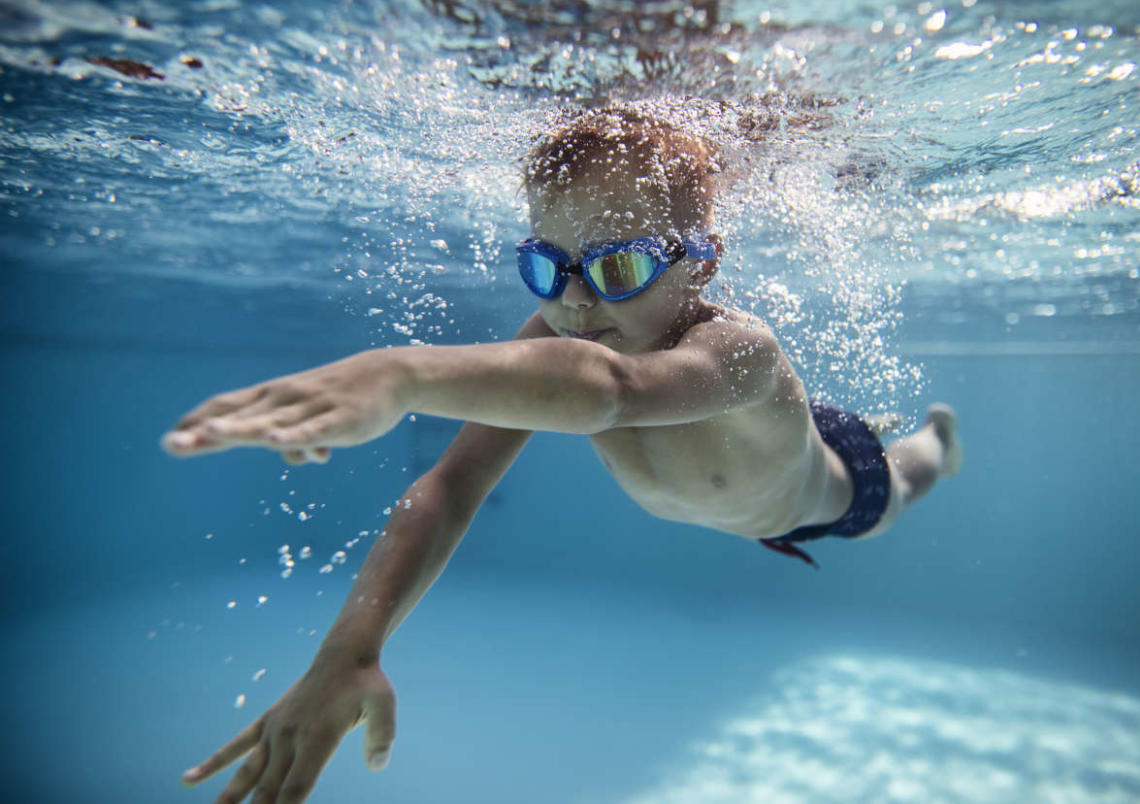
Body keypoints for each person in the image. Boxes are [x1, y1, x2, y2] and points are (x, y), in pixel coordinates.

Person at [165, 107, 961, 803]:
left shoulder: (739, 350)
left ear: (703, 260)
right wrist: (351, 649)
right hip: (739, 473)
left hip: (827, 488)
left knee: (898, 486)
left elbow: (614, 390)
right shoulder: (564, 333)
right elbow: (449, 486)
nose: (575, 301)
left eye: (619, 267)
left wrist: (400, 373)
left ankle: (935, 440)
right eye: (548, 266)